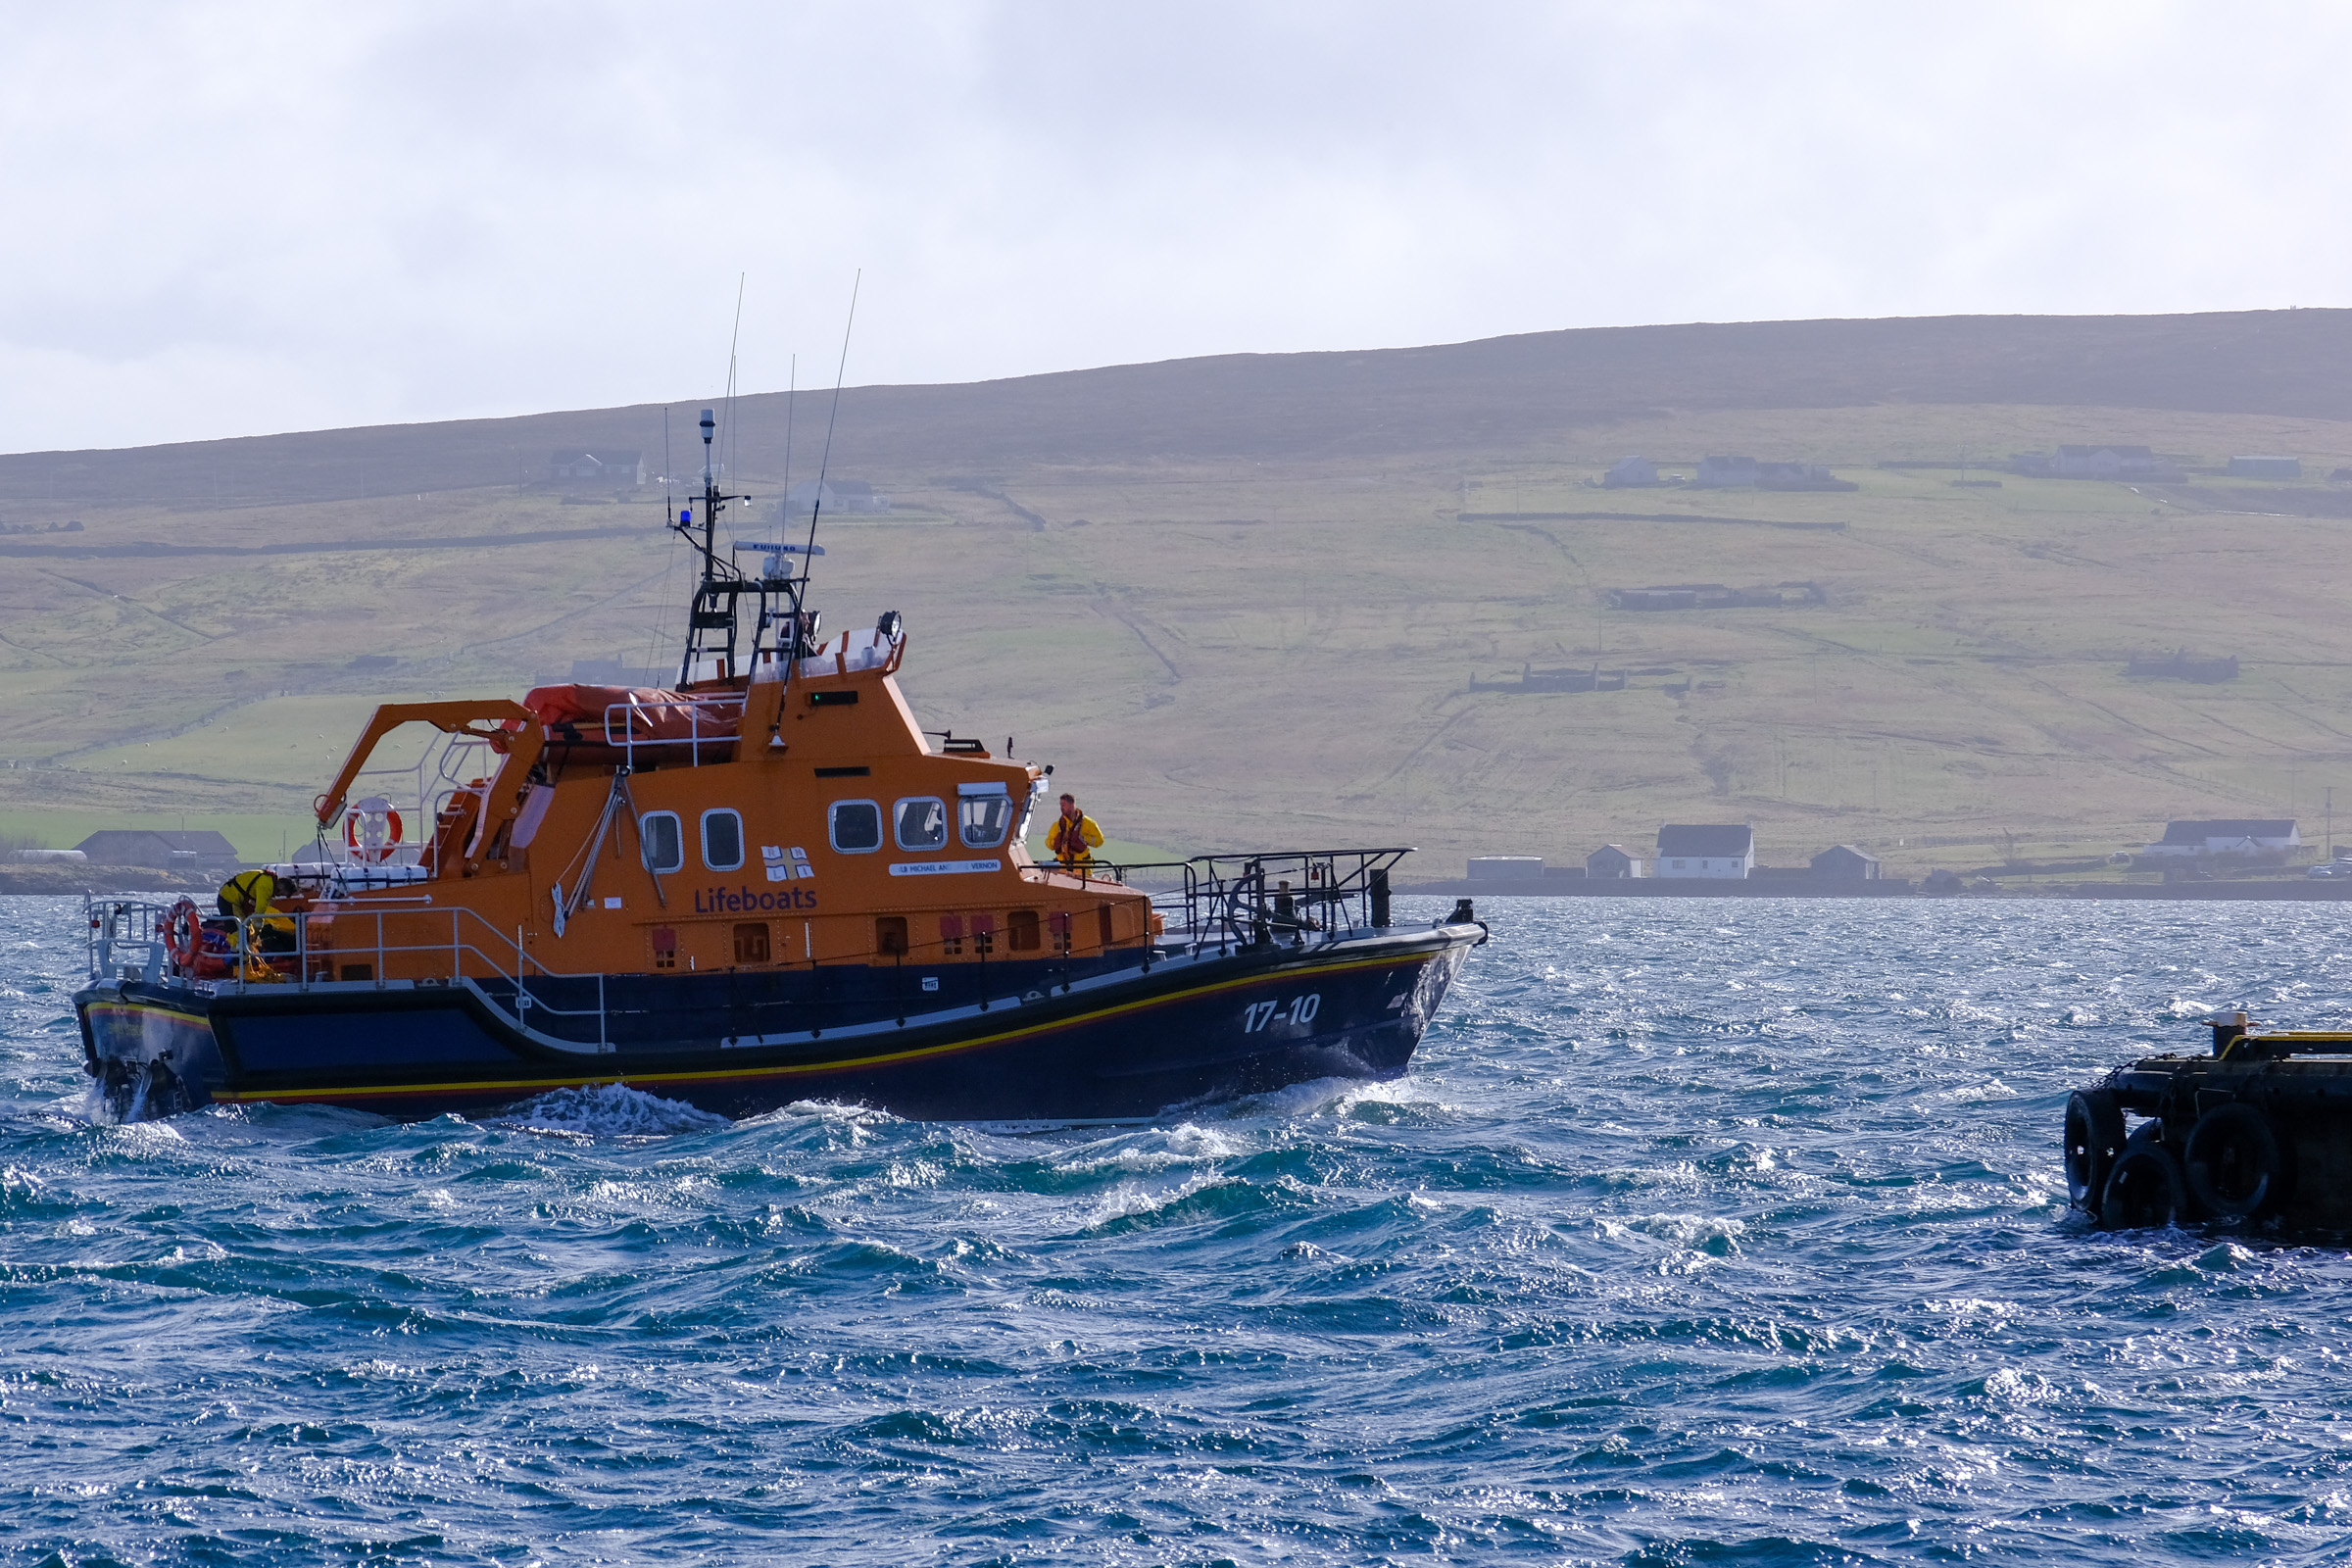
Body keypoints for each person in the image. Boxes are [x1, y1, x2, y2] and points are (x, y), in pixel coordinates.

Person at [1046, 794, 1103, 870]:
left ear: (1072, 805)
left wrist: (1084, 839)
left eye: (1064, 805)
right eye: (1060, 805)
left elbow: (1100, 840)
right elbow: (1048, 842)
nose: (1061, 808)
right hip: (1062, 870)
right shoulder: (1057, 825)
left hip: (1082, 869)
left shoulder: (1087, 823)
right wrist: (1055, 842)